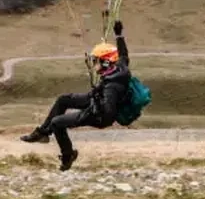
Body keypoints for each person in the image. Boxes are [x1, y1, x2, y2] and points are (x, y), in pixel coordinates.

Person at [19, 19, 130, 170]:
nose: (94, 64)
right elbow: (123, 54)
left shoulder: (112, 86)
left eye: (96, 61)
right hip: (95, 99)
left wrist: (88, 111)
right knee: (63, 100)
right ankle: (42, 133)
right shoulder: (119, 67)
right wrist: (119, 35)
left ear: (106, 63)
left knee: (57, 123)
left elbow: (108, 113)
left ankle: (68, 155)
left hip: (98, 114)